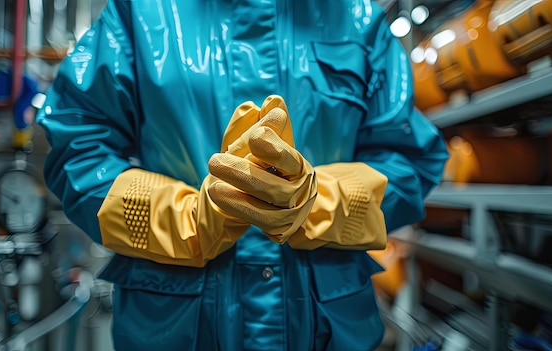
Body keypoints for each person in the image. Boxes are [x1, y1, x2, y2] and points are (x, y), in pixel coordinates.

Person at [37, 1, 449, 350]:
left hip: (327, 327)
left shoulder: (359, 19)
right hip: (175, 326)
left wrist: (321, 203)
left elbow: (409, 159)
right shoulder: (141, 12)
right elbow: (78, 150)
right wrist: (185, 219)